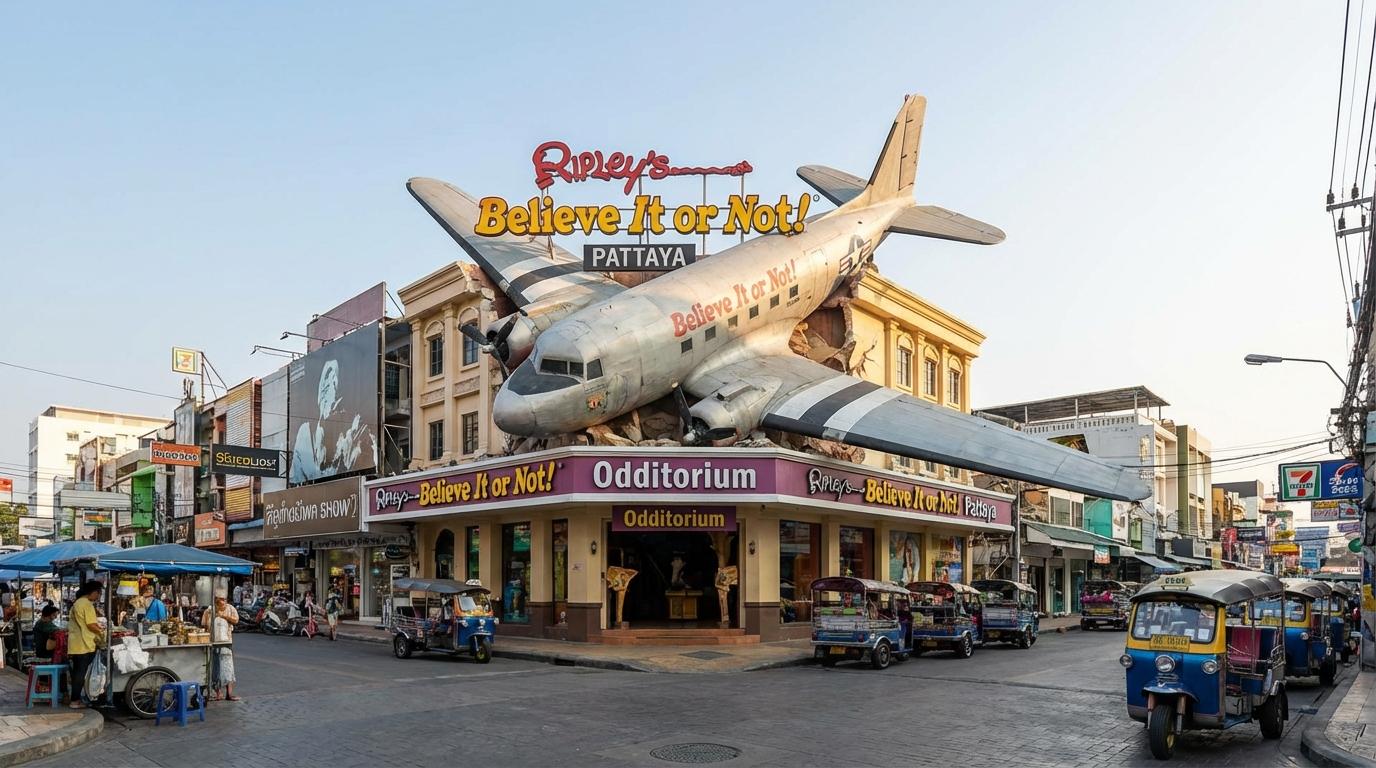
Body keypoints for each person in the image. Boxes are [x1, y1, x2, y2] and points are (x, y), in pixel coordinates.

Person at [290, 357, 377, 483]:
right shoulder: (305, 433)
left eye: (334, 384)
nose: (330, 392)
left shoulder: (357, 431)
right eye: (325, 387)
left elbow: (368, 463)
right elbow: (296, 481)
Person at [68, 580, 103, 709]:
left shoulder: (77, 603)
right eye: (98, 594)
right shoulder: (86, 604)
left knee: (78, 672)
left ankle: (75, 698)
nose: (98, 597)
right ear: (94, 592)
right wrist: (101, 632)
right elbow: (91, 624)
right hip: (84, 644)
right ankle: (75, 701)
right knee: (80, 673)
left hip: (76, 643)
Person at [202, 591, 240, 701]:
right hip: (212, 643)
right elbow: (204, 624)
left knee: (228, 668)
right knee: (215, 668)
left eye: (223, 600)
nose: (221, 602)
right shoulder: (209, 611)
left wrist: (224, 616)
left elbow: (236, 620)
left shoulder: (231, 609)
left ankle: (229, 693)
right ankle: (218, 693)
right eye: (219, 600)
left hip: (226, 643)